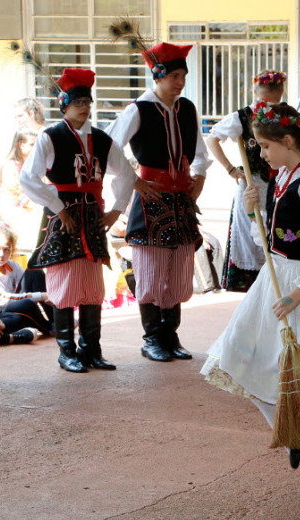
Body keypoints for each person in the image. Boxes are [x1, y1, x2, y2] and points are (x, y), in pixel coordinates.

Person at [201, 102, 300, 495]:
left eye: (264, 146)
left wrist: (298, 293)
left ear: (287, 141)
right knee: (235, 356)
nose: (260, 154)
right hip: (274, 278)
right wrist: (251, 213)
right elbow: (275, 239)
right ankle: (288, 429)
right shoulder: (282, 178)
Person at [21, 68, 139, 372]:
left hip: (93, 216)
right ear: (64, 104)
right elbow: (29, 178)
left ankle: (91, 349)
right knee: (63, 283)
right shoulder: (50, 137)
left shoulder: (101, 139)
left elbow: (126, 174)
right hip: (63, 218)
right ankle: (66, 351)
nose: (85, 107)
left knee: (92, 285)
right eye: (78, 102)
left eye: (88, 101)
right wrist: (58, 208)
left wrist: (116, 210)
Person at [106, 42, 210, 362]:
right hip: (151, 202)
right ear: (158, 75)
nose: (180, 82)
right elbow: (108, 147)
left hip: (181, 201)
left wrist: (200, 177)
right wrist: (133, 179)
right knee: (151, 272)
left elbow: (201, 153)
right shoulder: (138, 109)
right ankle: (151, 338)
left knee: (178, 271)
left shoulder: (187, 108)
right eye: (174, 76)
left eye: (183, 76)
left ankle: (170, 335)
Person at [205, 70, 285, 292]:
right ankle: (254, 290)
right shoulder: (243, 116)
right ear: (255, 91)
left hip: (281, 184)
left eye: (273, 94)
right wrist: (231, 169)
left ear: (281, 91)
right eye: (264, 95)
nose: (267, 99)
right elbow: (213, 139)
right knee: (252, 234)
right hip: (253, 184)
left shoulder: (285, 115)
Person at [0, 226, 49, 342]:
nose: (1, 254)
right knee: (23, 311)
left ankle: (56, 320)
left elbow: (28, 281)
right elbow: (2, 299)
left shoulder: (11, 265)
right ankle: (49, 328)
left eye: (6, 249)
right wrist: (41, 295)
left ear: (12, 250)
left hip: (13, 307)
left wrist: (48, 294)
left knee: (34, 272)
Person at [0, 127, 41, 251]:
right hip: (15, 216)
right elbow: (16, 195)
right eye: (32, 144)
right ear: (20, 145)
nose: (36, 148)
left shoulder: (32, 165)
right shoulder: (10, 166)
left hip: (29, 215)